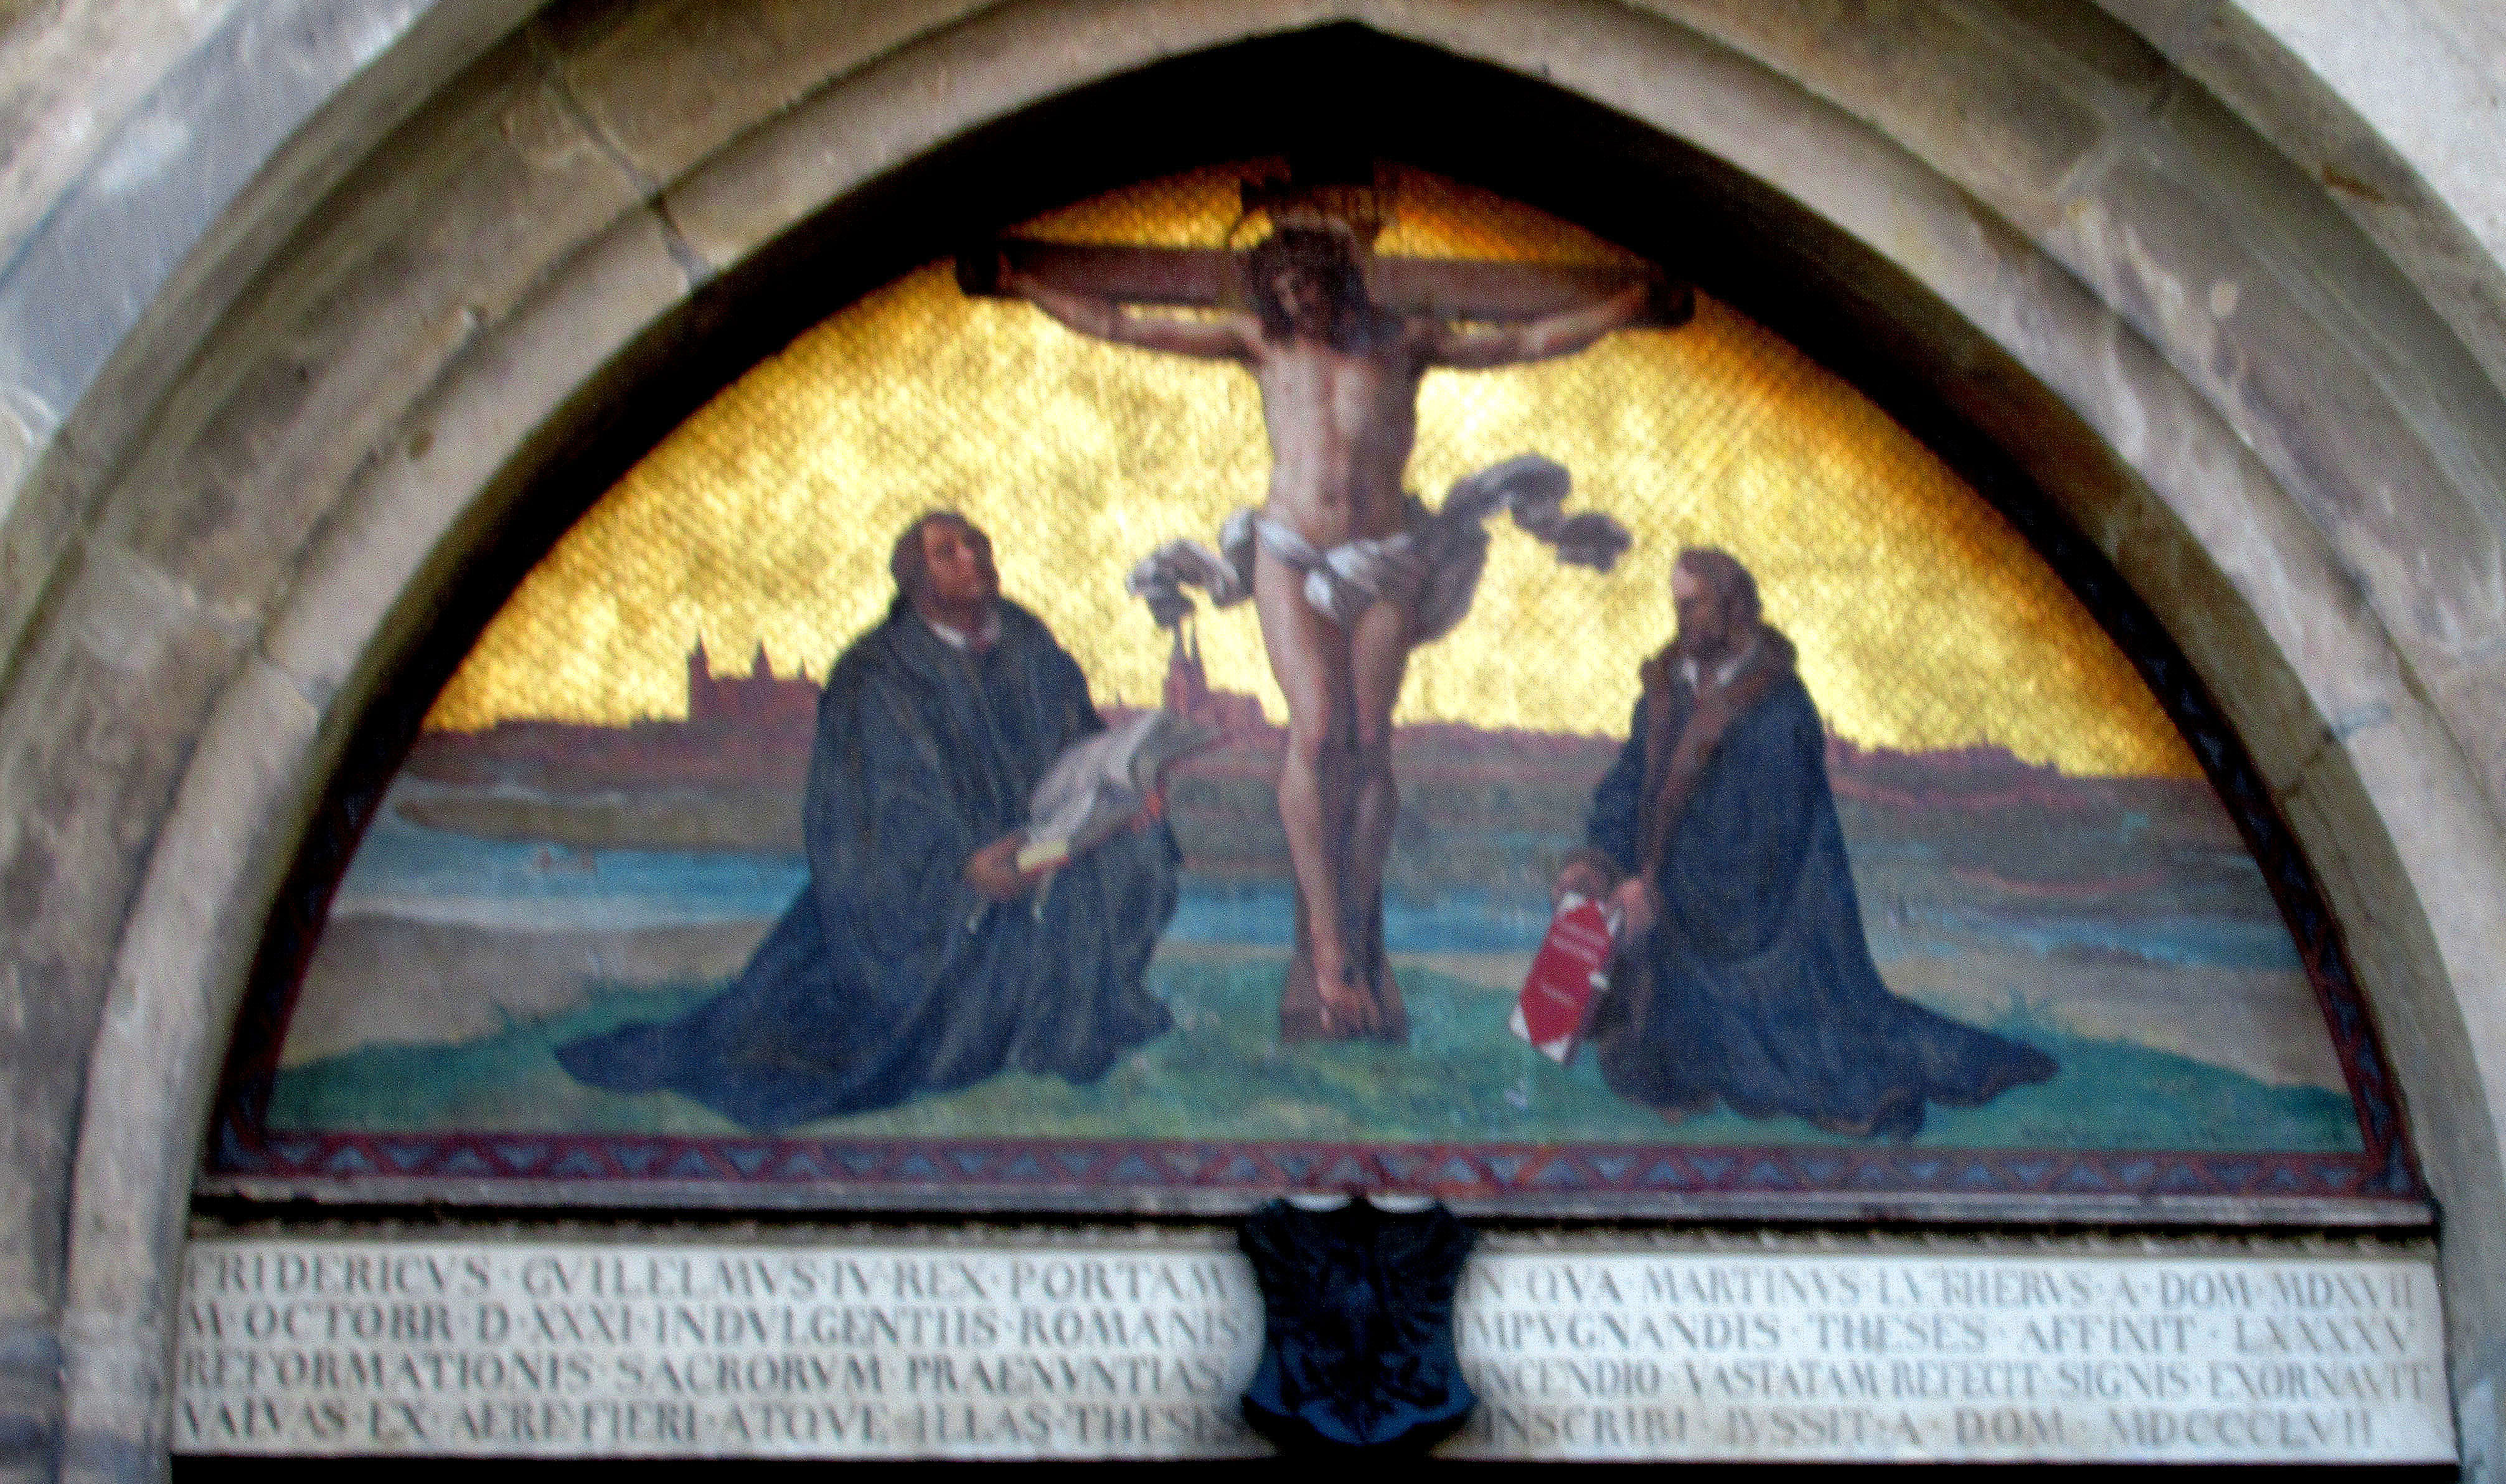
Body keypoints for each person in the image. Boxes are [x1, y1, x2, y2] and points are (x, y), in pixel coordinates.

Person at [1007, 206, 1662, 1043]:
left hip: (1383, 555)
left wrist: (1625, 304)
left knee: (1366, 743)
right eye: (1282, 290)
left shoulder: (1404, 341)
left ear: (1338, 281)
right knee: (1315, 739)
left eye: (1310, 286)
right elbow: (1123, 323)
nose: (1298, 303)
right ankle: (1325, 947)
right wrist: (1028, 282)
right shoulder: (1264, 344)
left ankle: (1356, 932)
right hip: (1290, 553)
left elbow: (1530, 343)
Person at [555, 514, 1178, 1130]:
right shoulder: (876, 675)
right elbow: (879, 807)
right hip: (934, 883)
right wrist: (964, 861)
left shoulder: (1027, 644)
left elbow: (1082, 743)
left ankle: (1072, 1017)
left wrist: (1130, 790)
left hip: (1046, 845)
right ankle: (1002, 1024)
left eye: (976, 545)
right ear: (913, 578)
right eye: (947, 551)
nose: (971, 559)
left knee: (1143, 850)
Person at [1557, 549, 2058, 1135]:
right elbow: (1627, 788)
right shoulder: (1667, 691)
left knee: (1806, 1073)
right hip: (1677, 918)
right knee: (1630, 1055)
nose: (1681, 617)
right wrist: (1595, 867)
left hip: (1772, 938)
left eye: (1692, 604)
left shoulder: (1777, 708)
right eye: (1677, 604)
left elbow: (1763, 846)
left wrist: (1660, 899)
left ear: (1730, 607)